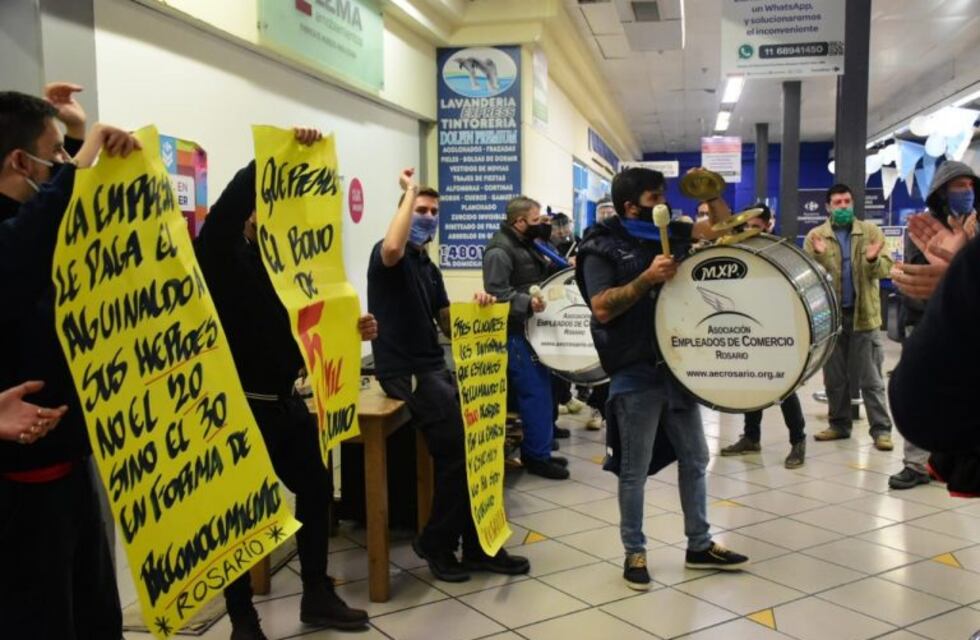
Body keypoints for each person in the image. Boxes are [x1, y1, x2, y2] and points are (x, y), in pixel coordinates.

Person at [195, 127, 373, 639]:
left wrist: (348, 333)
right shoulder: (222, 259)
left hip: (282, 404)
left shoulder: (288, 270)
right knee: (239, 517)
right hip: (237, 407)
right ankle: (243, 620)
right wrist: (272, 161)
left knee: (316, 490)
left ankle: (316, 594)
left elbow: (295, 335)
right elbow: (223, 219)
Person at [0, 87, 140, 640]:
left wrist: (78, 139)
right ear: (18, 161)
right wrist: (78, 163)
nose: (62, 164)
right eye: (54, 153)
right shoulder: (17, 237)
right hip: (17, 494)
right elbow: (24, 249)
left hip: (72, 472)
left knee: (95, 614)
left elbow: (63, 226)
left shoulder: (45, 222)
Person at [576, 167, 748, 591]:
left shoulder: (674, 233)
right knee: (634, 471)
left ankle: (699, 544)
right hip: (634, 371)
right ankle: (634, 551)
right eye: (657, 198)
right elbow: (601, 307)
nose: (665, 205)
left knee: (695, 459)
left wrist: (714, 191)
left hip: (678, 367)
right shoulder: (600, 247)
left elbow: (729, 230)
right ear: (632, 206)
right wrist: (646, 278)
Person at [368, 169, 530, 583]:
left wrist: (478, 304)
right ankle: (436, 543)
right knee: (459, 452)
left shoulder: (428, 266)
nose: (427, 217)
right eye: (420, 210)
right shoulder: (389, 256)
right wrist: (408, 192)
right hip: (405, 371)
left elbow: (444, 321)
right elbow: (392, 244)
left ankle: (479, 545)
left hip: (433, 366)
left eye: (433, 211)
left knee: (485, 442)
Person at [889, 162, 977, 490]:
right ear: (941, 191)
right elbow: (915, 279)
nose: (966, 191)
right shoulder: (924, 230)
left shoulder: (975, 228)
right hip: (927, 321)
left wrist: (960, 278)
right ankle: (917, 465)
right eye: (958, 186)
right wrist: (949, 285)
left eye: (969, 184)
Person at [483, 196, 569, 479]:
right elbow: (496, 296)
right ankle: (536, 457)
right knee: (534, 394)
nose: (540, 226)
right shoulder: (500, 250)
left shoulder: (524, 244)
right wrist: (526, 303)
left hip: (533, 330)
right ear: (519, 222)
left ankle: (540, 449)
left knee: (544, 392)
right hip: (516, 334)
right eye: (535, 221)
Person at [804, 184, 894, 451]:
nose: (843, 206)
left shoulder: (870, 233)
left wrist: (871, 260)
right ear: (828, 207)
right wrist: (816, 256)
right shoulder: (816, 236)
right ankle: (839, 425)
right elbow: (809, 278)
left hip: (864, 316)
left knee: (871, 379)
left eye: (847, 201)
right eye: (837, 202)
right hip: (831, 319)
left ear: (853, 204)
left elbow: (886, 269)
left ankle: (881, 430)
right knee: (835, 378)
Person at [720, 204, 806, 468]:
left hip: (777, 330)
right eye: (747, 226)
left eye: (756, 226)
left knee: (784, 387)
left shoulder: (781, 250)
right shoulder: (738, 249)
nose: (751, 232)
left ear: (768, 225)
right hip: (748, 326)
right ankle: (751, 437)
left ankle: (798, 441)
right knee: (751, 383)